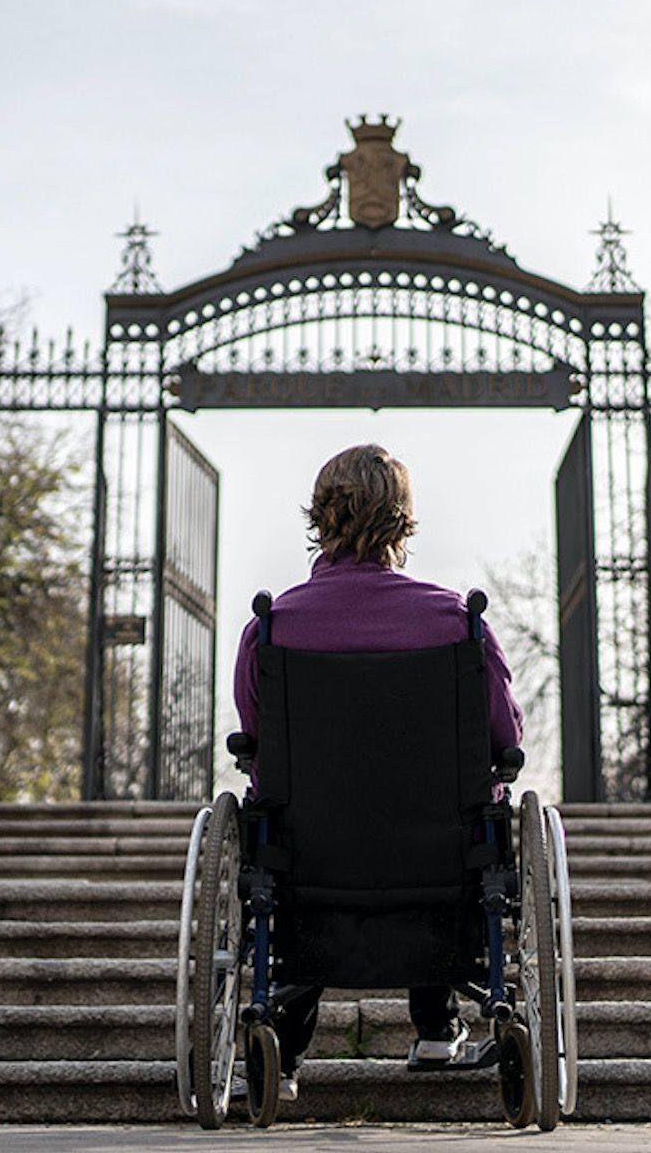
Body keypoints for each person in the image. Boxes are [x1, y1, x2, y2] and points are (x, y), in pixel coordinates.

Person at [231, 443, 524, 1101]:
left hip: (311, 861)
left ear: (320, 515)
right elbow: (503, 737)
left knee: (289, 824)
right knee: (460, 811)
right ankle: (435, 1021)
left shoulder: (273, 627)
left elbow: (256, 743)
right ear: (403, 520)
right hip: (437, 863)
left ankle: (287, 1036)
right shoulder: (457, 622)